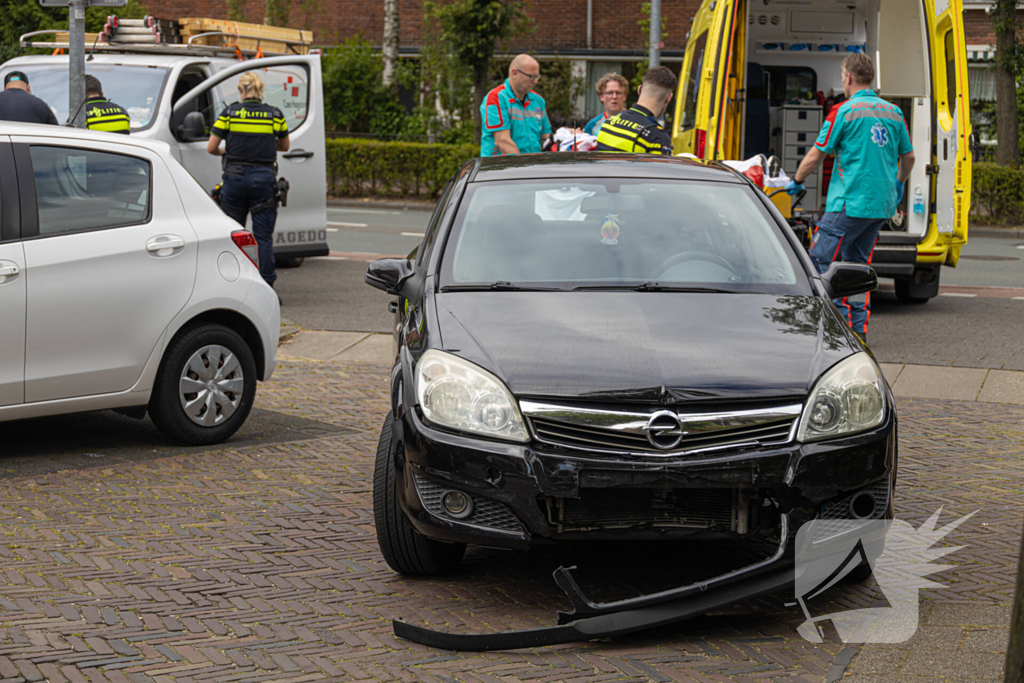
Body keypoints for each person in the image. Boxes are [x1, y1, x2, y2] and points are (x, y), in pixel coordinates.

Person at [786, 53, 915, 342]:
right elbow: (909, 156)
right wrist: (898, 184)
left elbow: (816, 155)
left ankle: (838, 330)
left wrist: (796, 181)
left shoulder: (843, 111)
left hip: (849, 204)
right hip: (880, 205)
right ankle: (859, 330)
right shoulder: (894, 112)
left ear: (848, 78)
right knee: (856, 266)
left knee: (819, 261)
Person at [206, 72, 289, 290]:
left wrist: (229, 150)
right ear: (261, 91)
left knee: (234, 234)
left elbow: (211, 148)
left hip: (235, 180)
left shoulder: (230, 113)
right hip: (263, 181)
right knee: (262, 237)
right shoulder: (275, 115)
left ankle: (232, 283)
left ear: (241, 91)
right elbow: (284, 146)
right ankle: (266, 286)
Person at [480, 54, 551, 156]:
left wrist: (565, 135)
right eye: (531, 77)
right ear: (514, 73)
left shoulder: (538, 100)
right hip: (500, 169)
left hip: (530, 168)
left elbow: (545, 137)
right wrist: (525, 169)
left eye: (537, 77)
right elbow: (503, 141)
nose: (535, 82)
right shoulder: (495, 98)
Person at [595, 66, 676, 155]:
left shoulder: (609, 122)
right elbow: (661, 169)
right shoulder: (657, 136)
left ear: (639, 89)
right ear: (669, 98)